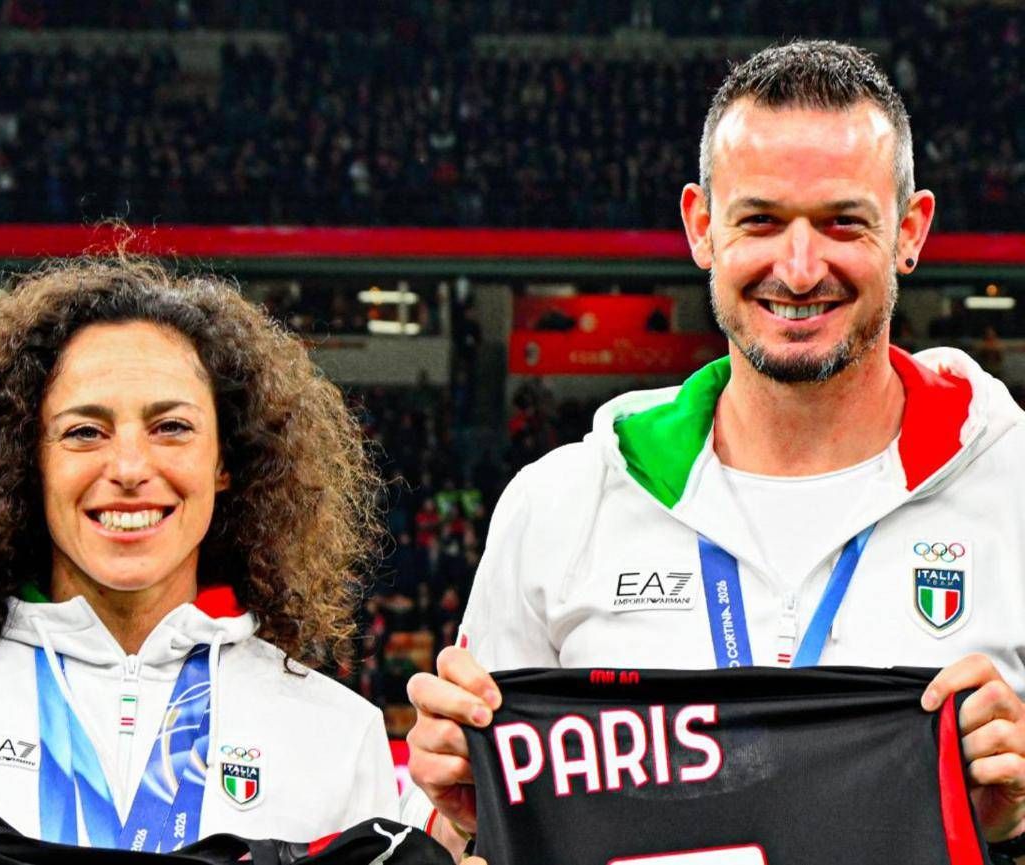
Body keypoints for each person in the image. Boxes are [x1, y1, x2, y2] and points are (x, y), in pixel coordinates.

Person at [405, 40, 1025, 863]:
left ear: (910, 231)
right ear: (701, 226)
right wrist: (464, 810)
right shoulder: (560, 505)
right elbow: (457, 837)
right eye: (760, 220)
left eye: (842, 222)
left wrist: (1019, 819)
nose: (798, 270)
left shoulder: (1011, 487)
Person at [0, 257, 398, 864]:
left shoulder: (335, 734)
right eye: (84, 432)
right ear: (29, 460)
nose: (128, 468)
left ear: (225, 462)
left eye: (171, 427)